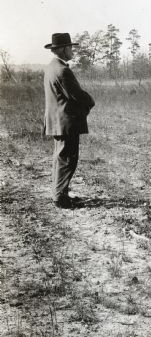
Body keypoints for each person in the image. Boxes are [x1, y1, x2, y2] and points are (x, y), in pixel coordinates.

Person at [43, 33, 95, 209]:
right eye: (71, 47)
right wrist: (90, 102)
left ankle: (60, 194)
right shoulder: (63, 70)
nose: (73, 51)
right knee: (67, 160)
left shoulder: (51, 67)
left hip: (58, 122)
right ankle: (60, 199)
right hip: (66, 122)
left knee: (61, 159)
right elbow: (78, 95)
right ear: (64, 49)